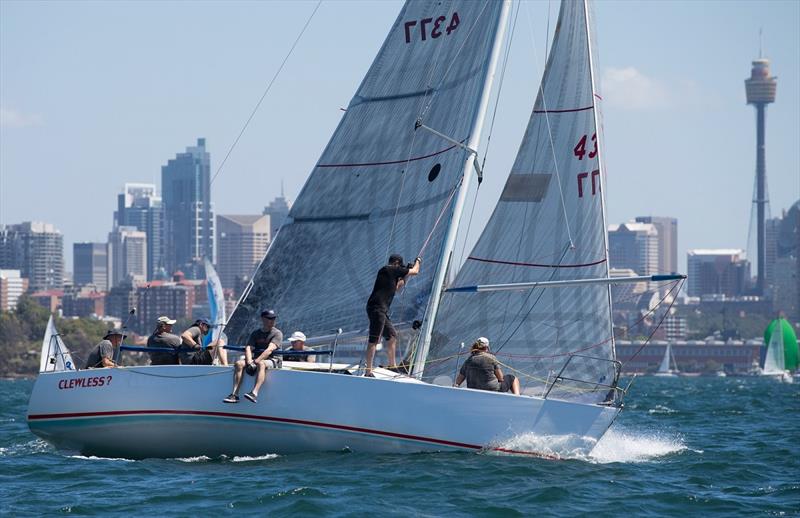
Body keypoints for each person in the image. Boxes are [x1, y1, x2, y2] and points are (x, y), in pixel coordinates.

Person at [364, 254, 420, 377]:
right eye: (400, 266)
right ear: (396, 263)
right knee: (374, 340)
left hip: (381, 310)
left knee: (392, 336)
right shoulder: (389, 269)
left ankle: (392, 366)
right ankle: (368, 371)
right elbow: (415, 271)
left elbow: (397, 288)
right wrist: (418, 261)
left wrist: (405, 277)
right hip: (377, 308)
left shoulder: (389, 273)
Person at [223, 309, 283, 404]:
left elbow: (269, 350)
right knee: (239, 364)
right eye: (269, 318)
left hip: (274, 360)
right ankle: (235, 394)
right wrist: (250, 361)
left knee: (261, 364)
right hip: (256, 359)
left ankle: (254, 393)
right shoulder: (256, 333)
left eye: (274, 318)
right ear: (263, 319)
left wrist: (254, 362)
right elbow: (248, 348)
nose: (272, 321)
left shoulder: (277, 333)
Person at [454, 337, 520, 395]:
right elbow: (500, 378)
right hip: (493, 389)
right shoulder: (491, 358)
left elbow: (458, 381)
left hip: (473, 390)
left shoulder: (469, 360)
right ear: (487, 347)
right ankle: (517, 398)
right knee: (512, 378)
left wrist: (455, 387)